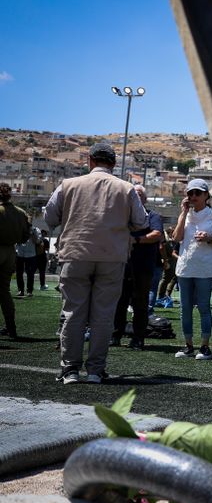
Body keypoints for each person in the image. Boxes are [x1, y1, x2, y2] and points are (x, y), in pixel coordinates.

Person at [44, 142, 147, 384]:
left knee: (73, 313)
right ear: (113, 163)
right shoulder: (126, 188)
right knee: (103, 315)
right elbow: (141, 222)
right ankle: (95, 370)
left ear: (90, 160)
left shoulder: (68, 185)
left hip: (75, 253)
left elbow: (49, 217)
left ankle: (69, 369)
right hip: (112, 256)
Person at [172, 178, 212, 361]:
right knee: (185, 309)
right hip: (186, 268)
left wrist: (209, 238)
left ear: (206, 195)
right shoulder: (185, 214)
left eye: (197, 193)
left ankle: (205, 347)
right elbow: (177, 237)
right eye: (190, 193)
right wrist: (182, 213)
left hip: (205, 268)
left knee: (203, 307)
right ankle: (188, 346)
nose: (193, 196)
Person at [112, 185, 163, 350]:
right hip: (122, 264)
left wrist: (136, 240)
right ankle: (115, 335)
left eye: (139, 194)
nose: (136, 197)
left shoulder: (152, 215)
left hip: (143, 267)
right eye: (133, 194)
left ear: (145, 199)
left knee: (140, 304)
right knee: (119, 302)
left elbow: (157, 235)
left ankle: (138, 338)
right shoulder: (122, 217)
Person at [0, 183, 31, 339]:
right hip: (11, 253)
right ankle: (11, 328)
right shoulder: (20, 212)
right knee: (4, 291)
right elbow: (26, 234)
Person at [14, 223, 40, 298]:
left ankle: (29, 291)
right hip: (20, 254)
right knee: (19, 273)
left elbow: (37, 242)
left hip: (31, 255)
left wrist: (31, 234)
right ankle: (20, 290)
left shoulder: (35, 230)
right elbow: (16, 241)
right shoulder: (19, 228)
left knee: (30, 274)